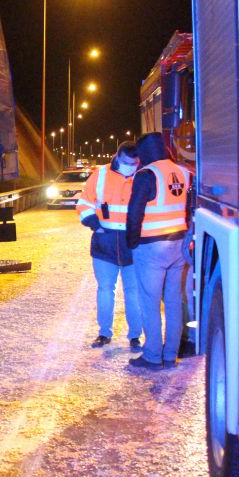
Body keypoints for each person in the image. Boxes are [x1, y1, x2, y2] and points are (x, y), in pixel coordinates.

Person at [126, 132, 190, 369]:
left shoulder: (146, 175)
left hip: (151, 247)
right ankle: (170, 355)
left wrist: (132, 242)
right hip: (178, 245)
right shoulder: (182, 172)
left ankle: (152, 355)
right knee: (173, 302)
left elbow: (135, 213)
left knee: (150, 302)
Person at [76, 142, 143, 350]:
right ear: (117, 158)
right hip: (105, 243)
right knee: (105, 289)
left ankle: (135, 336)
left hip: (132, 244)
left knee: (133, 292)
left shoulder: (143, 174)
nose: (129, 167)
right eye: (126, 163)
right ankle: (104, 333)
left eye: (133, 163)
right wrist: (95, 225)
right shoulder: (101, 174)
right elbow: (84, 203)